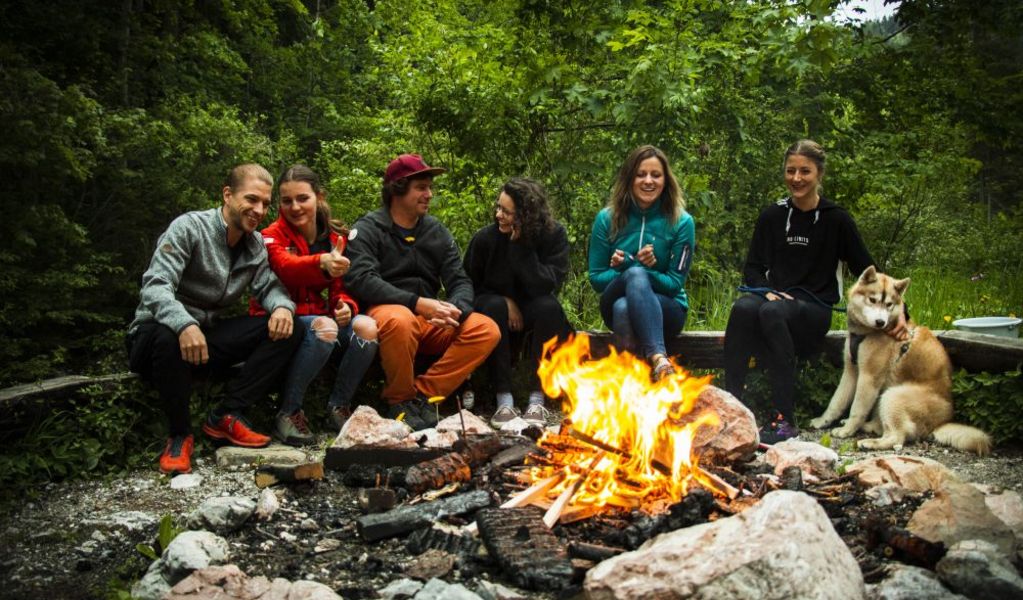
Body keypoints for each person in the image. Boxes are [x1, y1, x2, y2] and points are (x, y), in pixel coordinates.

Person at [723, 139, 905, 444]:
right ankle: (731, 407)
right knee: (743, 308)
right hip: (776, 304)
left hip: (813, 310)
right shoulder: (773, 216)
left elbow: (870, 273)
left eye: (805, 171)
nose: (796, 178)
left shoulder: (836, 219)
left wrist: (899, 315)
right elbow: (752, 269)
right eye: (790, 171)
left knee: (770, 311)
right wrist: (766, 291)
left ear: (819, 173)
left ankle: (784, 418)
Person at [127, 164, 303, 474]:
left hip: (203, 338)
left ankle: (227, 414)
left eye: (264, 203)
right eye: (251, 199)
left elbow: (269, 286)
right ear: (227, 195)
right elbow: (155, 285)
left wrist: (281, 308)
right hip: (155, 337)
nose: (259, 209)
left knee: (293, 328)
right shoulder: (189, 228)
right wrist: (183, 323)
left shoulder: (254, 244)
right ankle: (180, 435)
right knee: (167, 335)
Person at [344, 154, 500, 430]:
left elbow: (459, 279)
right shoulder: (368, 228)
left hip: (428, 317)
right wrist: (417, 303)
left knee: (486, 328)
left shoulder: (435, 230)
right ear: (398, 189)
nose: (429, 194)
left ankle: (425, 396)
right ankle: (398, 400)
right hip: (387, 311)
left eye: (430, 187)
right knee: (400, 319)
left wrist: (456, 309)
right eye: (421, 188)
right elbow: (362, 280)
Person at [249, 165, 378, 445]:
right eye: (286, 201)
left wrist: (345, 305)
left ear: (318, 197)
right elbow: (285, 268)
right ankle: (289, 412)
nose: (294, 207)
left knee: (367, 326)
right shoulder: (270, 235)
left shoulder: (334, 238)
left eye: (302, 198)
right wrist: (321, 262)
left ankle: (339, 407)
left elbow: (340, 288)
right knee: (325, 327)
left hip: (320, 318)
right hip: (279, 319)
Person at [464, 177, 573, 428]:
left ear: (525, 215)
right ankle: (504, 400)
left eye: (506, 211)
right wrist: (505, 300)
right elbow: (470, 285)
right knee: (494, 306)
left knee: (549, 307)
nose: (498, 214)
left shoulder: (554, 235)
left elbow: (547, 284)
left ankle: (537, 399)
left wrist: (521, 247)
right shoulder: (485, 239)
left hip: (535, 307)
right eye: (498, 207)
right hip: (494, 308)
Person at [588, 145, 695, 380]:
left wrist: (642, 268)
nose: (648, 181)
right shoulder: (606, 218)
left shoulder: (682, 222)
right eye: (641, 174)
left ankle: (629, 389)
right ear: (629, 178)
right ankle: (659, 358)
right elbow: (596, 280)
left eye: (656, 175)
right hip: (612, 297)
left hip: (668, 309)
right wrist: (632, 267)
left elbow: (674, 284)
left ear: (666, 180)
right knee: (634, 278)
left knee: (624, 307)